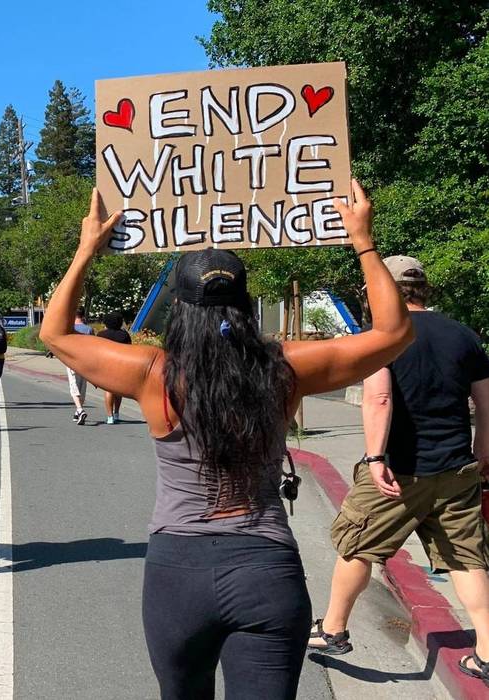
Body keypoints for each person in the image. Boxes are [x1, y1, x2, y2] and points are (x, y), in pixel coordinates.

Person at [39, 183, 412, 699]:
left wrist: (86, 250)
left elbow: (55, 334)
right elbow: (394, 333)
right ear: (244, 302)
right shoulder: (283, 367)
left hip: (177, 574)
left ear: (179, 306)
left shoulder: (154, 373)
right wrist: (363, 241)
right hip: (266, 570)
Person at [309, 256, 489, 679]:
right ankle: (486, 650)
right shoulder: (463, 336)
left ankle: (333, 629)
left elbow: (380, 398)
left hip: (399, 471)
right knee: (466, 559)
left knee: (357, 542)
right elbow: (485, 401)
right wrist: (482, 449)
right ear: (422, 288)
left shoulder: (384, 337)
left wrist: (374, 458)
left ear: (382, 290)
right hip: (455, 468)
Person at [96, 311, 132, 424]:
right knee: (119, 390)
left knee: (108, 390)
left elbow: (97, 351)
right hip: (121, 364)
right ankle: (116, 413)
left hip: (106, 365)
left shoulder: (101, 335)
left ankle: (109, 416)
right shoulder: (124, 335)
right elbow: (130, 350)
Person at [66, 309, 93, 425]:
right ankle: (77, 412)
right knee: (82, 386)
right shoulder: (89, 329)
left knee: (74, 386)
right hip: (86, 360)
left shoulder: (70, 329)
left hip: (72, 359)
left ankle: (80, 410)